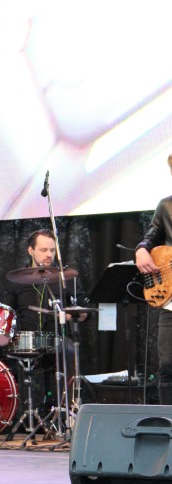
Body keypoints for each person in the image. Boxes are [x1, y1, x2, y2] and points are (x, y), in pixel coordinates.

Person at [1, 229, 85, 418]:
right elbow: (6, 311)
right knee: (3, 352)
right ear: (31, 250)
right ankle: (18, 414)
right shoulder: (16, 280)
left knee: (69, 350)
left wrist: (74, 314)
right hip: (25, 340)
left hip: (58, 338)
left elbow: (83, 309)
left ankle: (66, 412)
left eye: (52, 250)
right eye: (44, 250)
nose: (49, 255)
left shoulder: (66, 277)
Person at [136, 153, 172, 404]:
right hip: (171, 302)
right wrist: (141, 250)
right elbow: (151, 237)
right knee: (167, 364)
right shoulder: (166, 206)